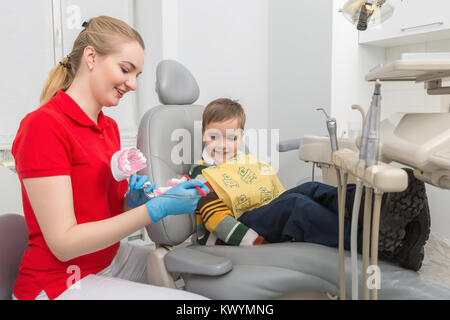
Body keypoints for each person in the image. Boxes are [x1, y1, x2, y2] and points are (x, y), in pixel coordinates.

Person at [11, 16, 209, 300]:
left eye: (137, 76)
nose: (132, 85)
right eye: (125, 70)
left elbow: (102, 214)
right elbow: (64, 244)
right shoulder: (44, 126)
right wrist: (155, 210)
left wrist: (131, 202)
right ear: (91, 56)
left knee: (195, 281)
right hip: (61, 281)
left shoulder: (109, 128)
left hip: (110, 259)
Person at [190, 98, 430, 272]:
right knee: (297, 206)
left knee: (309, 189)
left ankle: (373, 203)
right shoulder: (201, 174)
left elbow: (274, 194)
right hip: (235, 230)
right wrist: (257, 243)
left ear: (241, 137)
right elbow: (216, 219)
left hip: (259, 214)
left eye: (231, 138)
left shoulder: (243, 161)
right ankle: (369, 240)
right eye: (214, 137)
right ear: (202, 134)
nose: (222, 145)